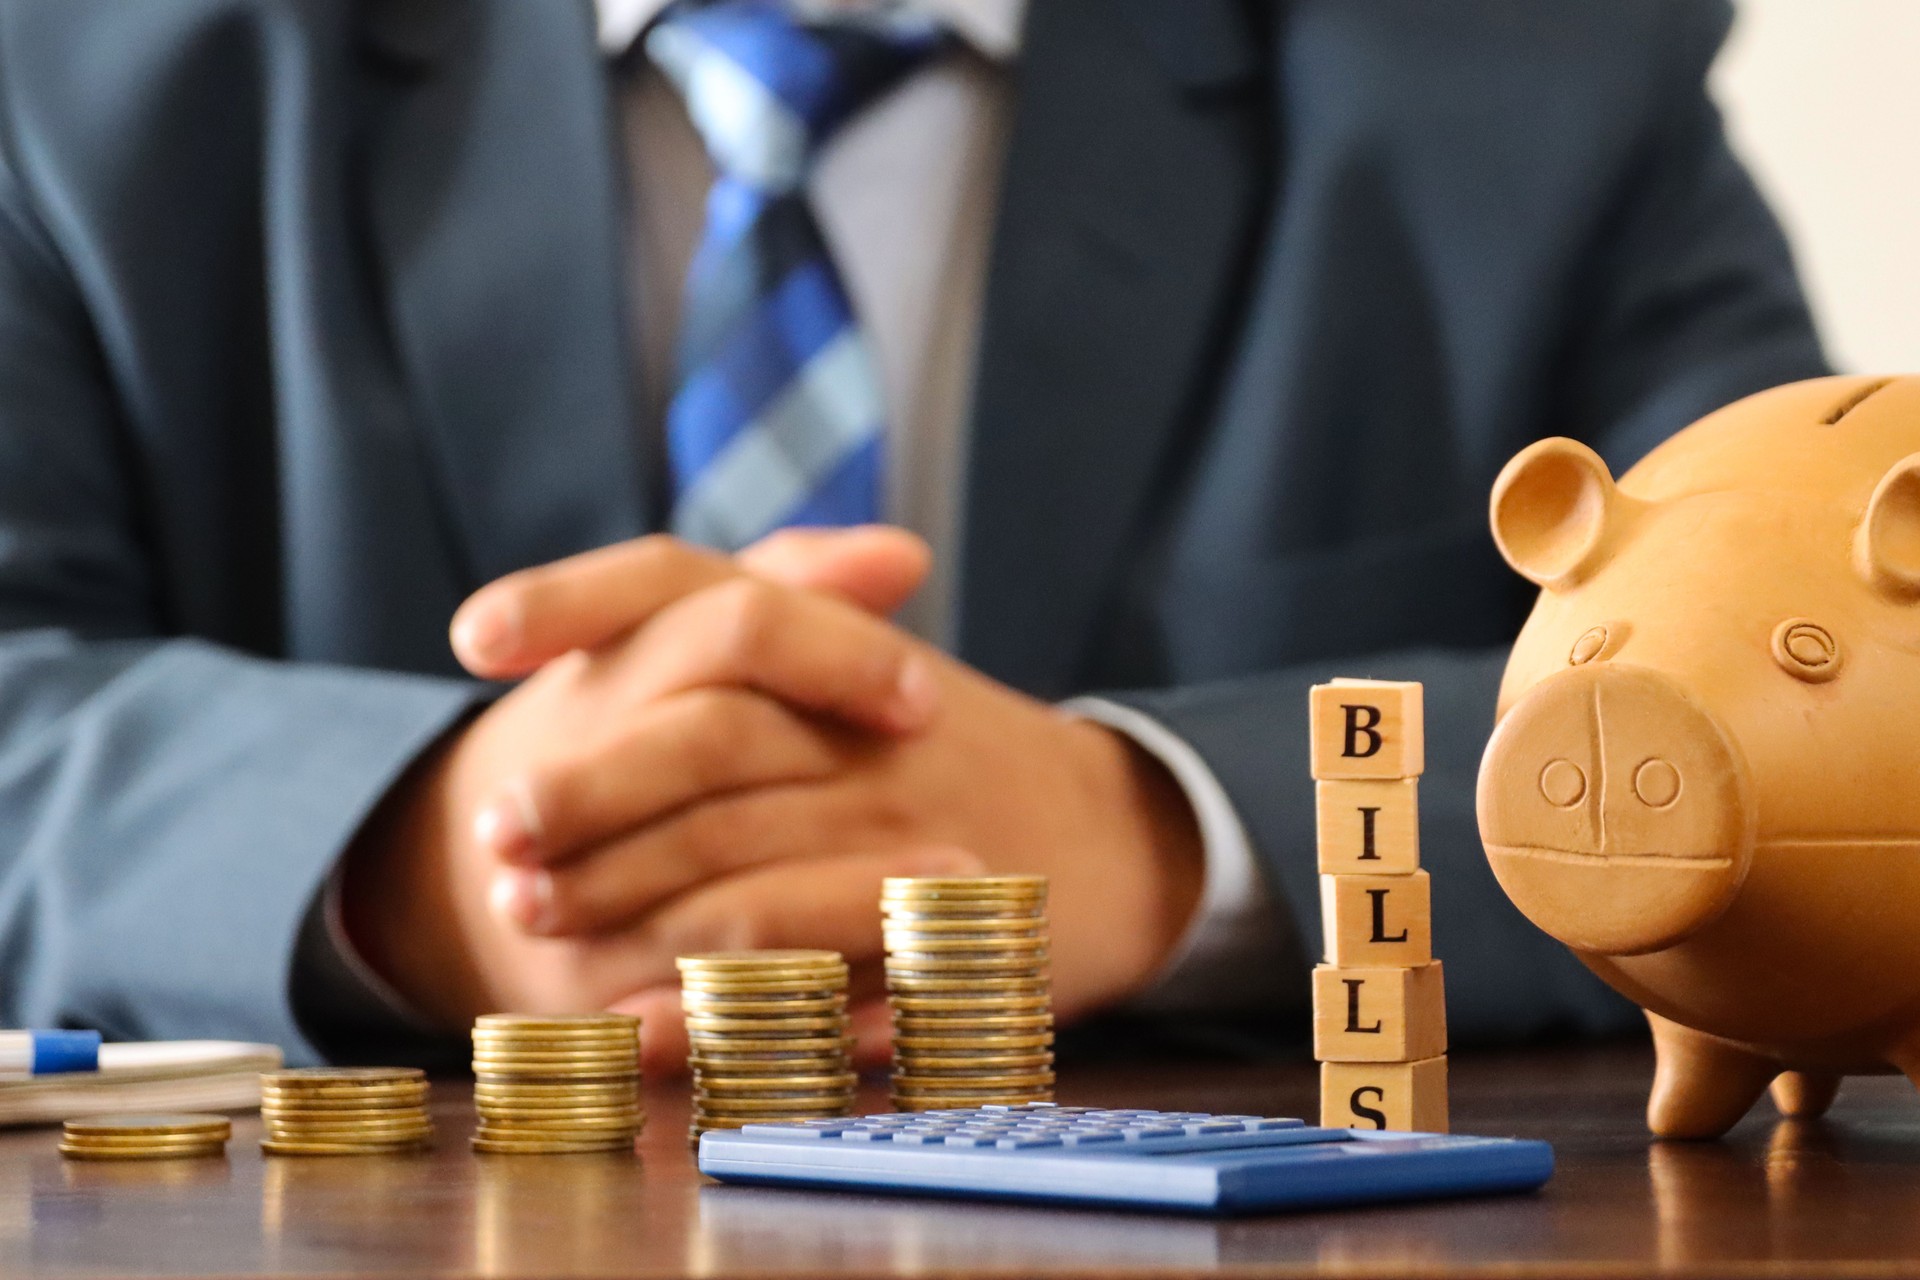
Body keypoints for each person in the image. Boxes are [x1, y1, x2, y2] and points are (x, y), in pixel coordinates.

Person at [0, 0, 1824, 1071]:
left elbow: (1808, 694)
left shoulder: (1542, 69)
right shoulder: (74, 72)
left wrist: (1174, 833)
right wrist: (403, 860)